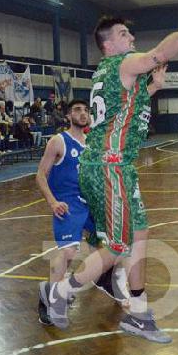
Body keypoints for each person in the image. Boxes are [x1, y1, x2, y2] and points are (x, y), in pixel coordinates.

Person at [39, 0, 178, 343]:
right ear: (109, 44)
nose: (131, 39)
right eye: (125, 34)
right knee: (119, 247)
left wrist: (154, 87)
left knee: (140, 234)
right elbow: (159, 53)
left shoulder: (109, 74)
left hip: (115, 164)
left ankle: (138, 312)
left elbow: (127, 105)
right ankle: (59, 292)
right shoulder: (121, 63)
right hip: (110, 165)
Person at [35, 100, 127, 325]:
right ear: (68, 115)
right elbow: (40, 175)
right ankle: (49, 299)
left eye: (86, 110)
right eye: (77, 110)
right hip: (67, 204)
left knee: (114, 248)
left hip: (90, 203)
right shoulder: (58, 141)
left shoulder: (91, 144)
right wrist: (53, 202)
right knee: (67, 253)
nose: (83, 113)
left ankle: (104, 279)